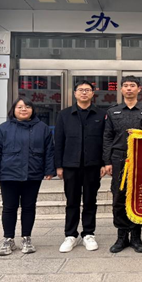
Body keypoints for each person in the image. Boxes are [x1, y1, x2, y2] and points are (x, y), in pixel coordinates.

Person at [0, 97, 55, 256]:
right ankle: (8, 239)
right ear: (13, 110)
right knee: (9, 207)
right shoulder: (3, 129)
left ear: (32, 110)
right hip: (9, 174)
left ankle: (26, 238)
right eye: (20, 107)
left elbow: (49, 151)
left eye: (27, 106)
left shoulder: (42, 128)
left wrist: (49, 170)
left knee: (29, 207)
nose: (24, 109)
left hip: (33, 173)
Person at [103, 76, 142, 253]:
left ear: (139, 89)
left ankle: (136, 236)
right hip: (119, 158)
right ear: (121, 89)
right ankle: (121, 237)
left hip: (141, 159)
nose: (129, 88)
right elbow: (107, 137)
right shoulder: (113, 111)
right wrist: (107, 162)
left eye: (132, 86)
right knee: (118, 197)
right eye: (126, 86)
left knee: (139, 197)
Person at [54, 80, 106, 253]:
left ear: (92, 93)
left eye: (87, 90)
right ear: (75, 93)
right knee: (72, 201)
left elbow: (105, 141)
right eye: (81, 90)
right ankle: (70, 235)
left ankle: (88, 234)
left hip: (93, 165)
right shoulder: (64, 114)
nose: (84, 92)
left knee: (90, 200)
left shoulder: (101, 114)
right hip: (70, 165)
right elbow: (59, 141)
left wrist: (104, 163)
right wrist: (59, 166)